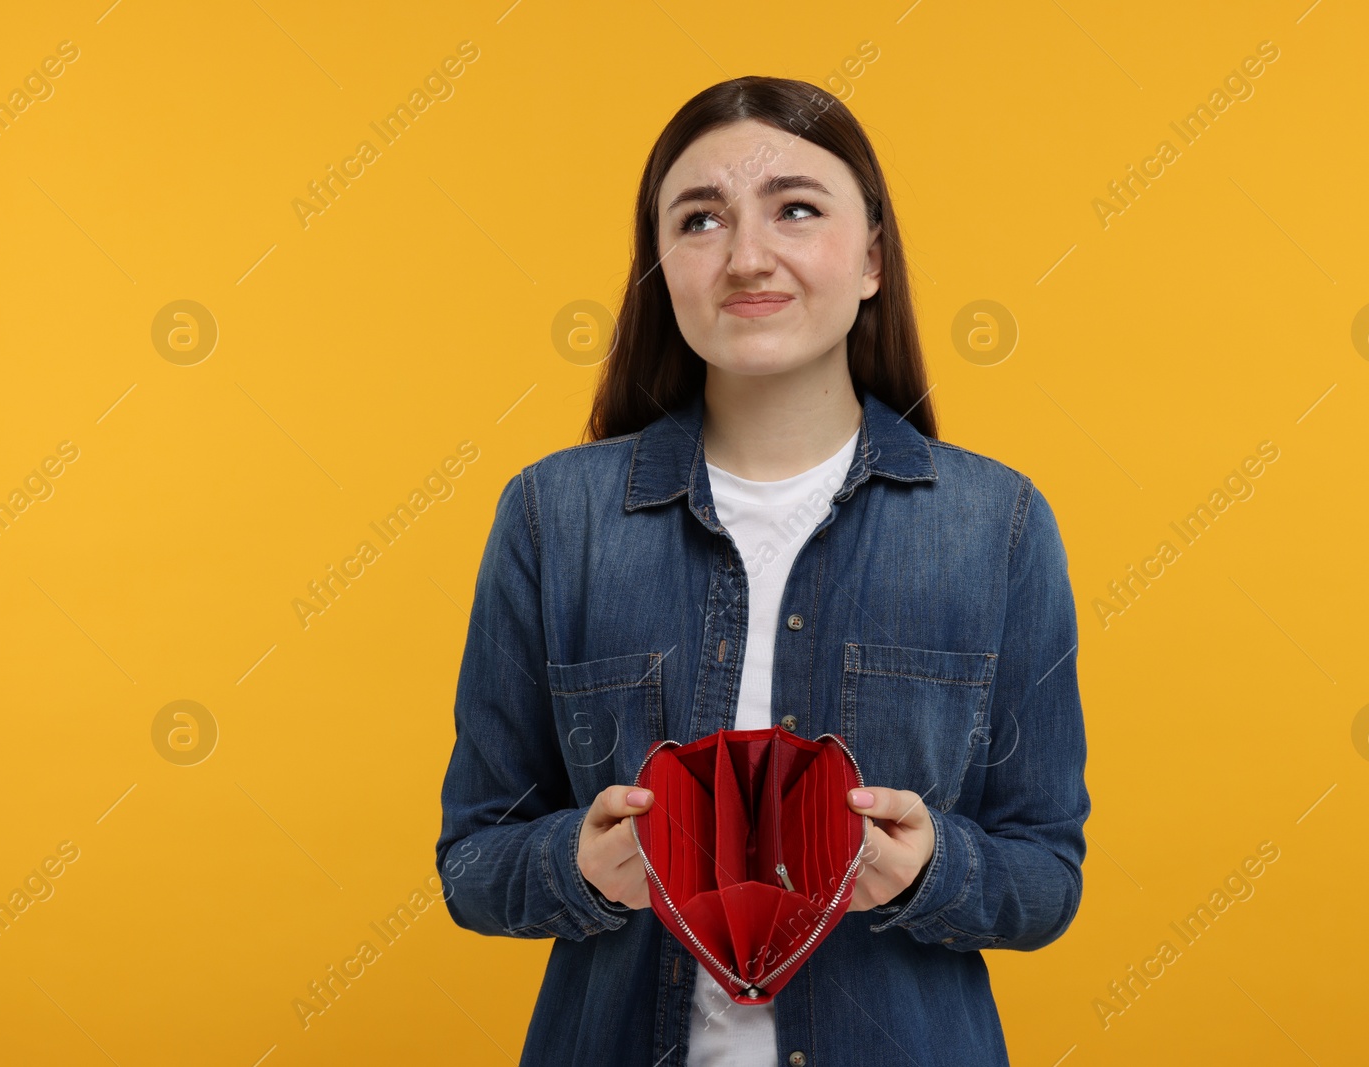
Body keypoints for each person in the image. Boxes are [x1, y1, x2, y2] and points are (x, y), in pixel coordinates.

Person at [435, 75, 1090, 1067]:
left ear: (871, 257)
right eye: (700, 219)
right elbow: (473, 858)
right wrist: (579, 863)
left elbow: (1045, 878)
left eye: (794, 208)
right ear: (661, 266)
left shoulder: (994, 526)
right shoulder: (552, 516)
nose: (747, 257)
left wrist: (929, 868)